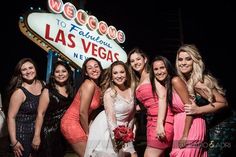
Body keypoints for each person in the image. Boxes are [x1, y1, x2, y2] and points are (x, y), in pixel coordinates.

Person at [176, 44, 236, 156]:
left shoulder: (198, 82)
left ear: (195, 61)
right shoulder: (186, 80)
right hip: (211, 124)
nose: (183, 63)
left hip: (222, 124)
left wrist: (198, 110)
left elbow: (223, 102)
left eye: (188, 59)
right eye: (180, 59)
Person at [150, 56, 207, 156]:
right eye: (156, 69)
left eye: (162, 68)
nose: (159, 72)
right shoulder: (166, 85)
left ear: (168, 68)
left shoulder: (175, 80)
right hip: (179, 125)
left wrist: (185, 135)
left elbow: (189, 107)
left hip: (191, 124)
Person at [127, 47, 174, 157]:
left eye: (138, 59)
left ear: (145, 59)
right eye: (132, 61)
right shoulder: (139, 80)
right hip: (151, 122)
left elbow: (162, 97)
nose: (135, 63)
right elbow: (149, 102)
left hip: (161, 121)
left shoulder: (151, 75)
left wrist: (160, 124)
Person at [84, 60, 137, 157]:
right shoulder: (110, 93)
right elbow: (111, 120)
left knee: (133, 154)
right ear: (111, 77)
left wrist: (130, 132)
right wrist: (118, 139)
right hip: (110, 131)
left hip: (125, 131)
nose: (119, 75)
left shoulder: (131, 90)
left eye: (122, 72)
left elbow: (132, 115)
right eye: (115, 73)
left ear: (126, 74)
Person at [60, 57, 103, 157]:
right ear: (86, 73)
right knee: (89, 155)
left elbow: (91, 112)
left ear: (100, 69)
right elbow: (83, 112)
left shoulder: (98, 87)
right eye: (90, 68)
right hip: (70, 122)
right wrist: (88, 133)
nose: (94, 69)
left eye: (96, 66)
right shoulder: (89, 84)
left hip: (80, 123)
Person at [32, 60, 74, 157]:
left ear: (68, 73)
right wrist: (36, 136)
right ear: (53, 75)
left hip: (62, 134)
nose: (60, 74)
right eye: (57, 71)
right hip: (48, 133)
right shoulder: (48, 91)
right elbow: (40, 114)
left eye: (63, 71)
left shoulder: (72, 90)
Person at [7, 58, 44, 157]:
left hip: (39, 132)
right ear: (20, 73)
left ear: (35, 69)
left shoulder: (43, 84)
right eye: (24, 70)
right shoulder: (19, 92)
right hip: (23, 134)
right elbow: (11, 117)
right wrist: (14, 142)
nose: (28, 71)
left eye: (30, 68)